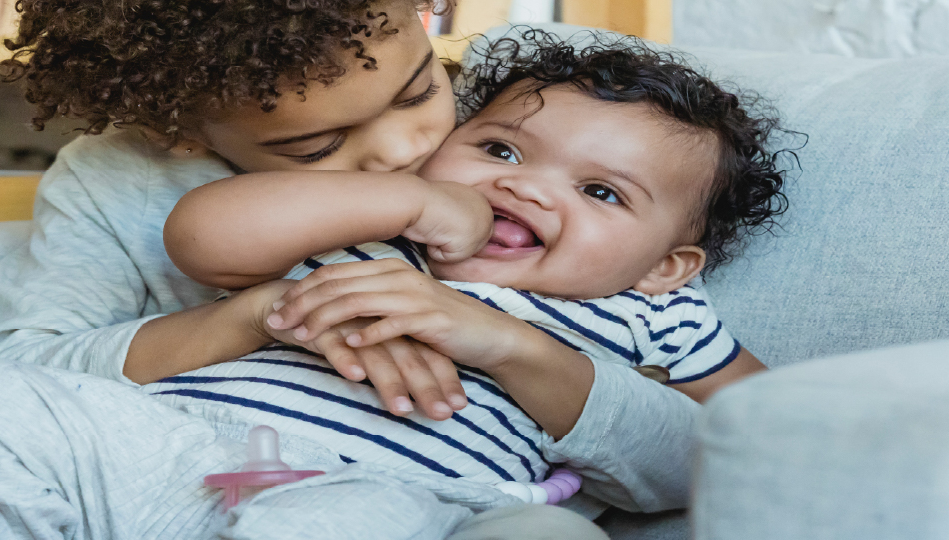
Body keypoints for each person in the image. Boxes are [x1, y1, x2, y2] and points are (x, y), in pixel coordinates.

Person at [0, 0, 718, 539]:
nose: (402, 148)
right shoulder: (122, 177)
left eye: (420, 88)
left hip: (403, 499)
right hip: (185, 455)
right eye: (316, 145)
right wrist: (261, 315)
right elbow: (24, 363)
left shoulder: (507, 159)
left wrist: (509, 345)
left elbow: (730, 432)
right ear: (183, 133)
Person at [159, 30, 788, 492]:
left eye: (601, 192)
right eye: (500, 150)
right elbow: (202, 238)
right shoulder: (374, 225)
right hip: (180, 438)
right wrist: (410, 201)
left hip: (394, 497)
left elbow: (785, 423)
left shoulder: (652, 309)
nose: (526, 188)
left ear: (666, 266)